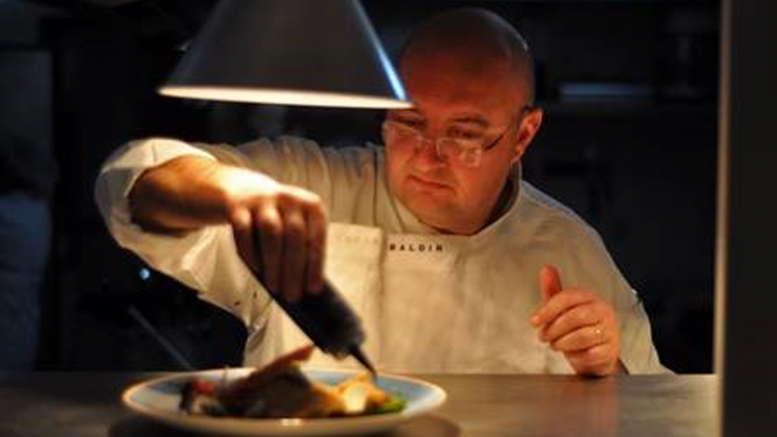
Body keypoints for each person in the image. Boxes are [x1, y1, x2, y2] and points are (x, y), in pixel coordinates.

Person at [96, 8, 668, 375]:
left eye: (464, 135)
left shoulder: (570, 248)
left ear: (522, 135)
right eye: (409, 123)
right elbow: (133, 181)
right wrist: (236, 193)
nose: (428, 155)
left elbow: (650, 408)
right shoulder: (315, 182)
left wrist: (606, 369)